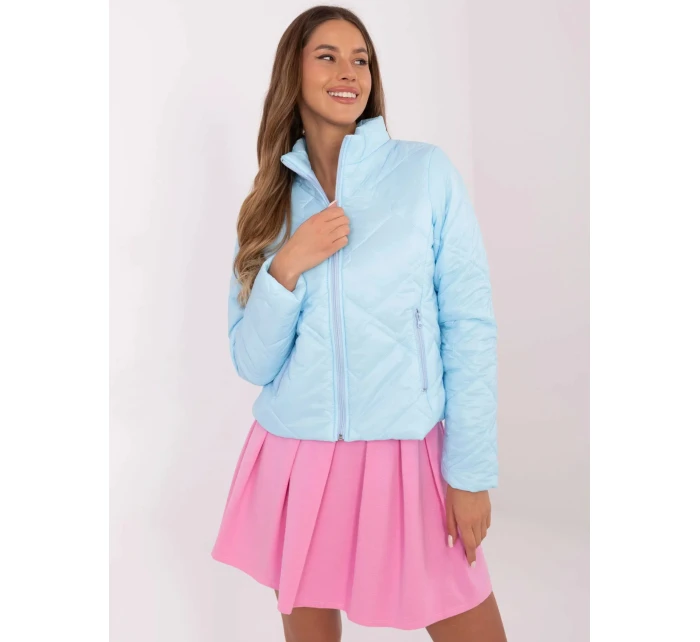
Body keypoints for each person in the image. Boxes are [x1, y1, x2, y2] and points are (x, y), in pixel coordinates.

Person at [211, 5, 507, 641]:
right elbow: (252, 363)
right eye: (327, 56)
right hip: (299, 457)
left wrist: (470, 472)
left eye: (361, 59)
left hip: (406, 454)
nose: (349, 72)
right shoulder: (267, 207)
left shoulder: (424, 173)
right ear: (293, 72)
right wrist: (287, 266)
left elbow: (470, 326)